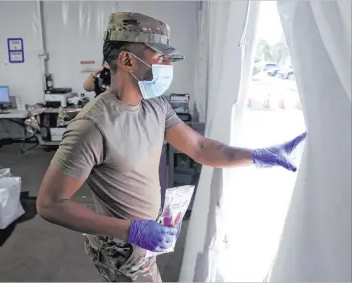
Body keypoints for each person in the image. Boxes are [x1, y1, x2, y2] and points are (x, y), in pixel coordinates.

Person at [36, 12, 307, 282]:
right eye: (160, 57)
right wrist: (131, 230)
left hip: (145, 236)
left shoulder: (155, 105)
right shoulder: (93, 126)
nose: (167, 65)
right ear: (128, 60)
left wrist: (258, 156)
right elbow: (50, 204)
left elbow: (200, 148)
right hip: (122, 248)